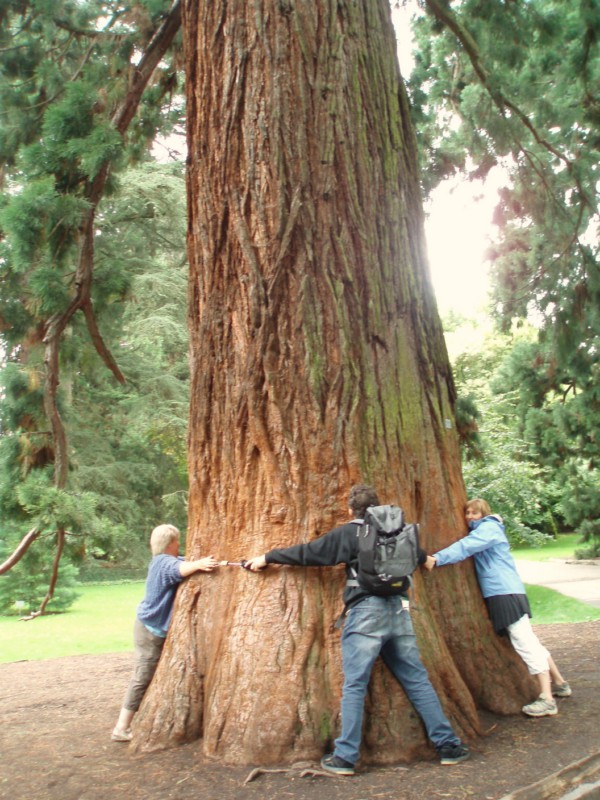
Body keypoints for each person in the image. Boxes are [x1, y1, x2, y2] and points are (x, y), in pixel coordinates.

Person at [246, 484, 470, 776]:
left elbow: (309, 553)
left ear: (351, 509)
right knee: (417, 679)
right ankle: (448, 746)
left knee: (355, 684)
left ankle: (346, 756)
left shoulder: (349, 533)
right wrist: (428, 559)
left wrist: (268, 557)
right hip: (400, 610)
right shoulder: (396, 531)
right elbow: (421, 557)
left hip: (365, 613)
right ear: (377, 507)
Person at [424, 498, 572, 718]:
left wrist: (437, 558)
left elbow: (467, 546)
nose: (469, 517)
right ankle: (559, 683)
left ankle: (548, 699)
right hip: (506, 590)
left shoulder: (489, 529)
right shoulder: (487, 528)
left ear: (484, 513)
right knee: (529, 639)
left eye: (475, 513)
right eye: (467, 513)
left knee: (524, 642)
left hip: (503, 592)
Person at [111, 524, 219, 742]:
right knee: (142, 676)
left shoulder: (166, 559)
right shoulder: (163, 563)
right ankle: (121, 728)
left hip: (152, 628)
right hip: (149, 629)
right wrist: (200, 564)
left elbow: (181, 562)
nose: (179, 544)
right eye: (177, 541)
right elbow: (178, 569)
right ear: (170, 543)